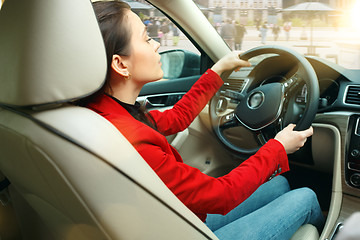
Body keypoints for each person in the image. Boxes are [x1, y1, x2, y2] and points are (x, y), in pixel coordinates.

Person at [84, 1, 325, 239]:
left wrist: (217, 71)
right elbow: (221, 195)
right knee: (306, 197)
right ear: (120, 64)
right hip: (179, 230)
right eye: (147, 38)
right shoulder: (132, 140)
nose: (157, 44)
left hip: (175, 221)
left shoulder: (109, 114)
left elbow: (176, 118)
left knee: (279, 185)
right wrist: (278, 147)